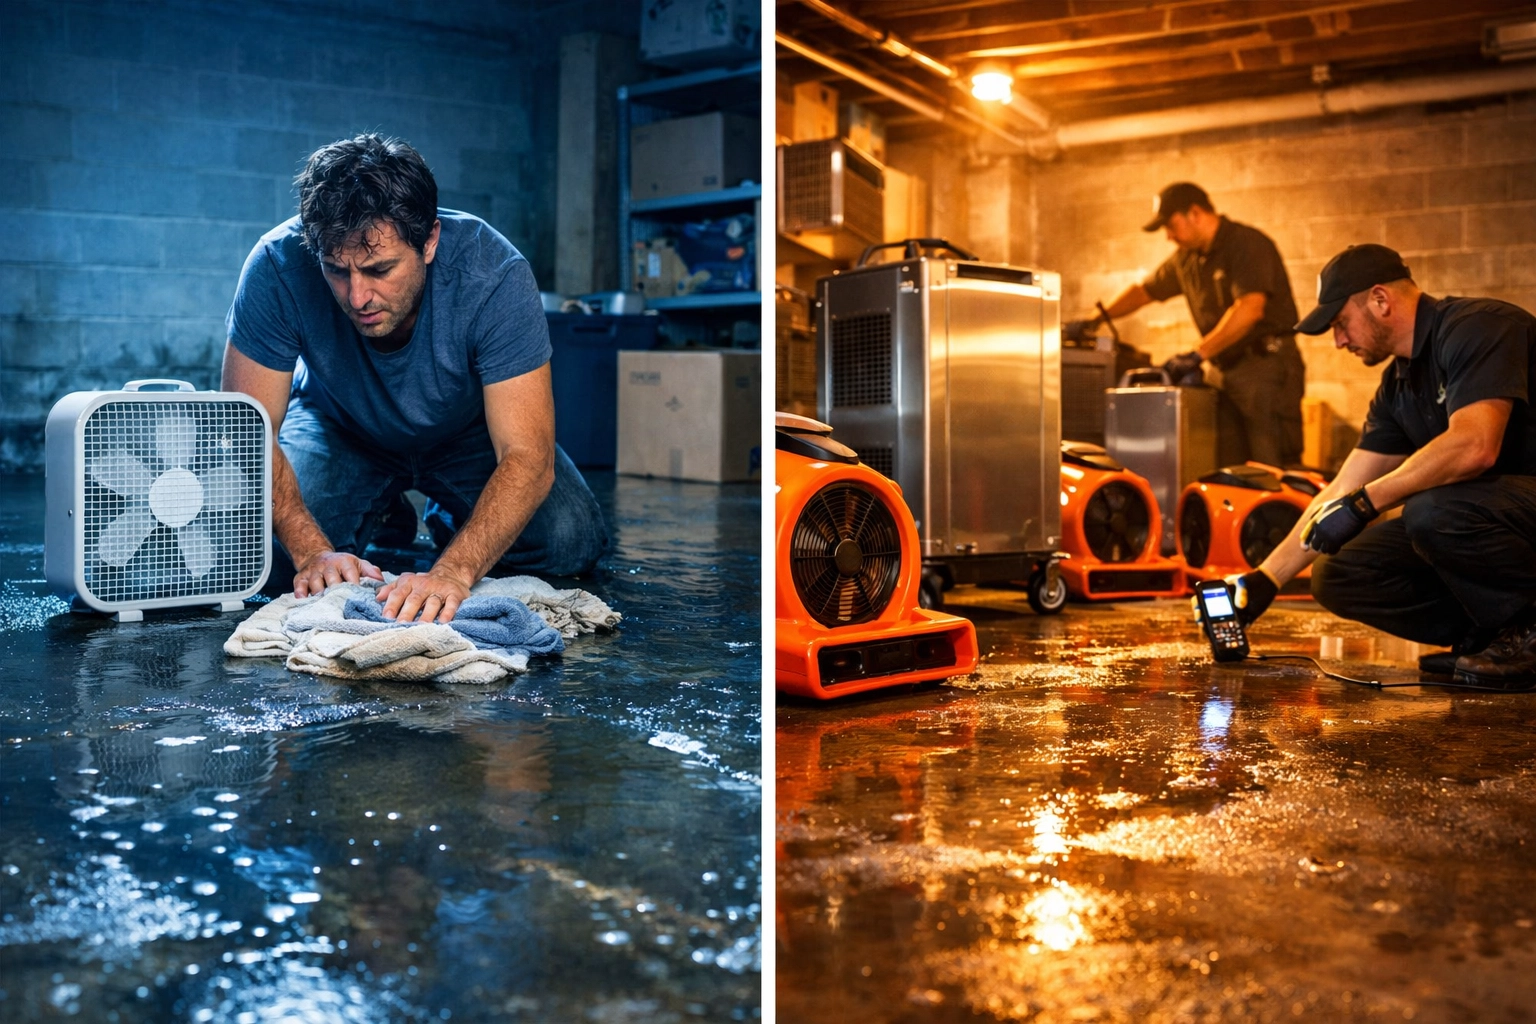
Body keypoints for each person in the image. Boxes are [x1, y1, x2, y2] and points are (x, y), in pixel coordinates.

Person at [222, 134, 609, 625]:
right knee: (263, 557)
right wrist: (310, 551)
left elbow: (527, 456)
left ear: (429, 241)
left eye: (379, 269)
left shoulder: (495, 274)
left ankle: (449, 515)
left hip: (465, 434)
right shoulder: (276, 264)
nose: (357, 296)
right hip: (339, 428)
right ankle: (385, 509)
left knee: (569, 541)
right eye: (336, 270)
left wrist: (455, 570)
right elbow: (243, 429)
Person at [1220, 243, 1536, 689]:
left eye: (1340, 323)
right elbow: (1338, 492)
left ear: (1380, 300)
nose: (1339, 340)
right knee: (1338, 571)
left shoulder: (1478, 328)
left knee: (1433, 511)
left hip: (1520, 508)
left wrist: (1366, 504)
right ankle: (1492, 637)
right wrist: (1266, 580)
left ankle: (1529, 637)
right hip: (1496, 521)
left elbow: (1474, 445)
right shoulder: (1398, 385)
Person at [1070, 182, 1306, 468]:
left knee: (1271, 465)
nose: (1169, 236)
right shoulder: (1186, 260)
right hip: (1224, 371)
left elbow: (1249, 309)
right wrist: (1096, 320)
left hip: (1264, 367)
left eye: (1171, 225)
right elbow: (1144, 291)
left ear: (1195, 213)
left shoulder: (1246, 244)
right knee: (1232, 469)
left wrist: (1197, 354)